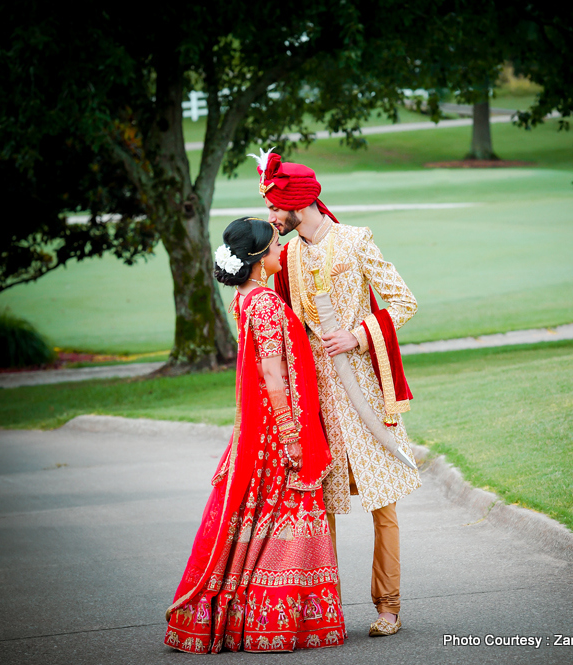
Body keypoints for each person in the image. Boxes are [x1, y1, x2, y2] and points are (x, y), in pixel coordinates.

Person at [250, 149, 420, 637]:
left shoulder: (355, 240)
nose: (270, 218)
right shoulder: (288, 256)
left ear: (296, 204)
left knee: (382, 504)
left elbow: (405, 302)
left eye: (273, 209)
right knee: (319, 511)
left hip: (365, 393)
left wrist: (358, 335)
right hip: (318, 398)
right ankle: (323, 610)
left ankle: (388, 606)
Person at [164, 217, 346, 654]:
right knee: (286, 513)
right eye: (274, 246)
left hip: (258, 425)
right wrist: (291, 436)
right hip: (274, 426)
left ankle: (251, 618)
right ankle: (275, 621)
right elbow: (271, 372)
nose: (281, 250)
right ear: (259, 259)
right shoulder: (263, 303)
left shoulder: (244, 298)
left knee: (259, 514)